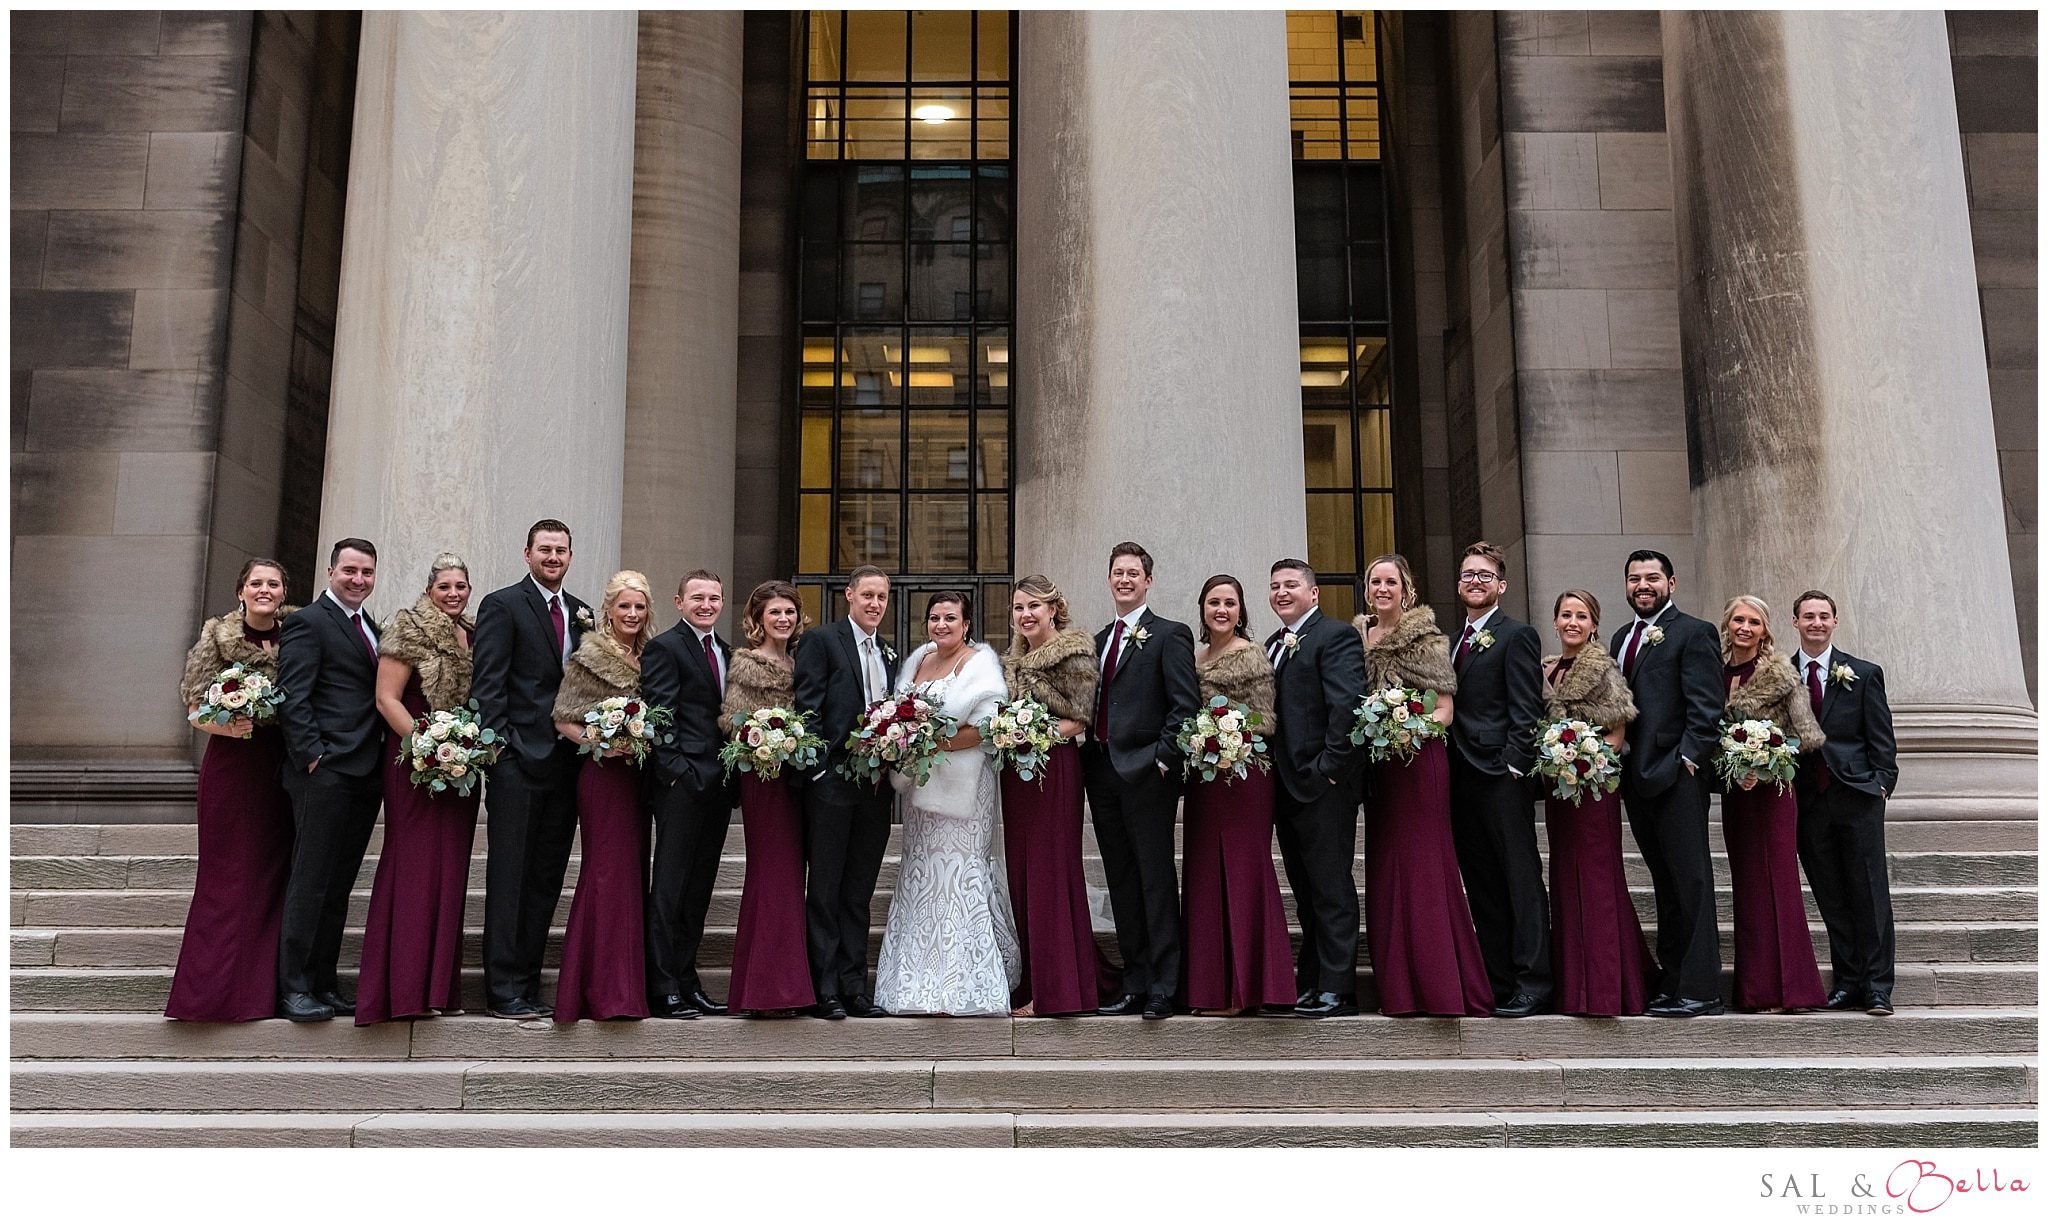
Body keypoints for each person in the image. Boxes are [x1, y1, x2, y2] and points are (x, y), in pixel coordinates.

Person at [1351, 554, 1493, 1017]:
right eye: (1375, 581)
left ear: (1405, 588)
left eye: (1391, 581)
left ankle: (1440, 984)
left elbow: (1445, 710)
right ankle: (1399, 989)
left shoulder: (1426, 638)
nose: (1382, 588)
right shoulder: (1357, 638)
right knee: (1387, 868)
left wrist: (1404, 730)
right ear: (1367, 589)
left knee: (1425, 868)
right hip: (1380, 771)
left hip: (1419, 763)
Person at [872, 591, 1021, 1016]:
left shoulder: (981, 664)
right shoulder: (917, 661)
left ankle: (958, 983)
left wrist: (933, 741)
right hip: (923, 790)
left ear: (966, 624)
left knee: (957, 874)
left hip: (964, 787)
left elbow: (987, 729)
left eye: (950, 618)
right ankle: (914, 982)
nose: (941, 625)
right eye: (934, 618)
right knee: (922, 872)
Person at [166, 559, 298, 1022]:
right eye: (256, 583)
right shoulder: (216, 639)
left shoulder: (296, 635)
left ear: (284, 592)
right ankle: (211, 995)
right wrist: (227, 722)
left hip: (280, 770)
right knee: (226, 879)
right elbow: (193, 705)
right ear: (241, 590)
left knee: (271, 878)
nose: (265, 590)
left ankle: (260, 992)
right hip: (233, 767)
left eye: (273, 584)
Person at [470, 519, 592, 1020]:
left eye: (561, 550)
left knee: (545, 878)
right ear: (527, 554)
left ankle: (529, 981)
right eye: (545, 549)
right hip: (518, 762)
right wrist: (499, 749)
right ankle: (502, 988)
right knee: (510, 876)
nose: (553, 557)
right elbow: (489, 683)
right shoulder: (502, 605)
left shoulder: (582, 612)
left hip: (567, 765)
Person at [356, 553, 478, 1025]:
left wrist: (460, 750)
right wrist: (426, 746)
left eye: (461, 586)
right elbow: (386, 698)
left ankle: (436, 988)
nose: (453, 593)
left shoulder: (471, 633)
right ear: (430, 589)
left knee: (449, 871)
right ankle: (400, 988)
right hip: (414, 764)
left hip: (460, 766)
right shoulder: (408, 627)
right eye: (445, 586)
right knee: (413, 866)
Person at [1083, 542, 1200, 1021]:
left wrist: (1162, 760)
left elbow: (1185, 705)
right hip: (1103, 775)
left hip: (1147, 776)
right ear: (1109, 580)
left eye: (1134, 573)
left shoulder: (1170, 635)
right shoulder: (1096, 641)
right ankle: (1134, 981)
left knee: (1154, 880)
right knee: (1122, 882)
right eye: (1118, 573)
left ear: (1148, 581)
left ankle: (1164, 986)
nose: (1125, 580)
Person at [1609, 549, 1725, 1018]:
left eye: (1652, 578)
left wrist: (1689, 760)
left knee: (1691, 881)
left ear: (1671, 584)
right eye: (1634, 578)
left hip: (1676, 775)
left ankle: (1702, 989)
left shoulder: (1694, 632)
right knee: (1664, 882)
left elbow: (1706, 706)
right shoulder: (1620, 637)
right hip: (1636, 779)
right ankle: (1673, 980)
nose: (1643, 585)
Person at [273, 538, 385, 1023]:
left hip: (364, 772)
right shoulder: (307, 622)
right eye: (350, 571)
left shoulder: (371, 628)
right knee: (311, 881)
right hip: (326, 772)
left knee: (339, 884)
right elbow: (292, 696)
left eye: (367, 572)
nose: (358, 580)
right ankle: (293, 986)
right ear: (331, 570)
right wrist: (314, 757)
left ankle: (323, 980)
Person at [1444, 542, 1552, 1017]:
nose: (1475, 581)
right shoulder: (1450, 642)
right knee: (1482, 882)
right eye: (1468, 575)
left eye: (1484, 576)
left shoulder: (1517, 635)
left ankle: (1535, 980)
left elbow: (1526, 707)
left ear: (1501, 586)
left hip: (1500, 775)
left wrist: (1514, 764)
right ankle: (1499, 978)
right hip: (1459, 778)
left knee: (1520, 878)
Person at [1181, 574, 1294, 1016]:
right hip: (1205, 781)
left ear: (1241, 611)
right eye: (1213, 603)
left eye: (1229, 603)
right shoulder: (1194, 656)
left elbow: (1265, 719)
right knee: (1206, 873)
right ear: (1203, 610)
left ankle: (1248, 988)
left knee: (1243, 870)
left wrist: (1228, 736)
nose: (1221, 610)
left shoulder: (1252, 656)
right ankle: (1211, 987)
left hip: (1245, 777)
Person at [548, 570, 657, 1023]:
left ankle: (629, 989)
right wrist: (602, 744)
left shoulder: (652, 654)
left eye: (639, 606)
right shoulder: (589, 656)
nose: (632, 614)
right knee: (606, 876)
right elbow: (562, 719)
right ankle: (598, 990)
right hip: (602, 776)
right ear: (608, 609)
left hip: (639, 777)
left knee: (632, 875)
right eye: (624, 606)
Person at [1541, 590, 1654, 1017]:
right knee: (1566, 879)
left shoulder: (1604, 669)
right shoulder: (1546, 669)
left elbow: (1617, 733)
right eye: (1566, 614)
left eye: (1582, 616)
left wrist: (1582, 758)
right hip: (1558, 789)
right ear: (1554, 622)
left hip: (1593, 787)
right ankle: (1573, 986)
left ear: (1593, 625)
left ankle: (1608, 988)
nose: (1573, 622)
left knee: (1597, 879)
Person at [1264, 558, 1369, 1018]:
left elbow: (1347, 705)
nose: (1282, 592)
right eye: (1275, 586)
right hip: (1284, 788)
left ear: (1314, 593)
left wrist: (1329, 768)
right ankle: (1311, 980)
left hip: (1322, 784)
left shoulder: (1336, 636)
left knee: (1330, 888)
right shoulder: (1272, 645)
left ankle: (1339, 988)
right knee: (1305, 890)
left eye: (1291, 585)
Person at [793, 564, 896, 1019]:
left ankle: (856, 986)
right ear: (849, 596)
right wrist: (817, 773)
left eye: (882, 597)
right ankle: (825, 988)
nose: (875, 604)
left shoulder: (889, 653)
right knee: (827, 890)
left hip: (874, 790)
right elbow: (808, 708)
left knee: (858, 892)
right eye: (868, 595)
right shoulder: (823, 641)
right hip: (831, 785)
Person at [1789, 590, 1899, 1016]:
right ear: (1794, 621)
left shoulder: (1863, 673)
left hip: (1856, 796)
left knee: (1869, 893)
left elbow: (1881, 740)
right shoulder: (1780, 676)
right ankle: (1848, 979)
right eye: (1808, 616)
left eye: (1823, 616)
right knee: (1830, 895)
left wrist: (1881, 785)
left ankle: (1876, 986)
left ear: (1835, 621)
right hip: (1807, 800)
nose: (1816, 623)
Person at [997, 575, 1102, 1017]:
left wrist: (1030, 733)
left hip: (1053, 770)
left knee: (1049, 874)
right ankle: (1035, 982)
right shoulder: (1012, 659)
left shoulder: (1075, 652)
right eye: (1018, 608)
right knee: (1022, 875)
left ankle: (1056, 989)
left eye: (1033, 607)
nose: (1025, 615)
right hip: (1016, 776)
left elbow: (1079, 720)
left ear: (1053, 609)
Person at [1717, 595, 1827, 1013]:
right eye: (1738, 620)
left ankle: (1792, 991)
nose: (1745, 628)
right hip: (1736, 795)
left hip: (1773, 792)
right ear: (1728, 625)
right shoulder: (1716, 671)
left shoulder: (1780, 673)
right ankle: (1755, 991)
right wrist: (1732, 763)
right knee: (1747, 887)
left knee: (1778, 886)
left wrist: (1765, 759)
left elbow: (1808, 735)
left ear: (1765, 630)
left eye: (1754, 622)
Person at [640, 569, 738, 1019]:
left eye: (714, 598)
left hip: (717, 785)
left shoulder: (727, 652)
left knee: (698, 890)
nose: (706, 605)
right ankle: (662, 987)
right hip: (682, 784)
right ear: (679, 602)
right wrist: (676, 771)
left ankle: (687, 979)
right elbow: (659, 715)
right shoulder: (665, 647)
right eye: (697, 598)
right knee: (670, 888)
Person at [720, 581, 816, 1017]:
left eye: (789, 613)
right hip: (763, 778)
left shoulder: (800, 662)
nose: (783, 619)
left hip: (796, 781)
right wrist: (771, 740)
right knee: (772, 876)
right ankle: (767, 991)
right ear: (758, 619)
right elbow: (733, 724)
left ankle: (784, 984)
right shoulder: (747, 665)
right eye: (775, 612)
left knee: (791, 878)